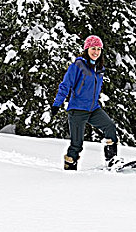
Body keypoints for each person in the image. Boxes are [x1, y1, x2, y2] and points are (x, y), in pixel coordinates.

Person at [51, 35, 123, 170]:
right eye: (93, 48)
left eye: (99, 49)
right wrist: (57, 103)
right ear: (86, 49)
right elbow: (65, 85)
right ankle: (70, 167)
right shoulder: (78, 66)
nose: (96, 52)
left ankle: (112, 160)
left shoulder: (99, 69)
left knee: (110, 127)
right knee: (76, 144)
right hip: (77, 110)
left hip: (93, 109)